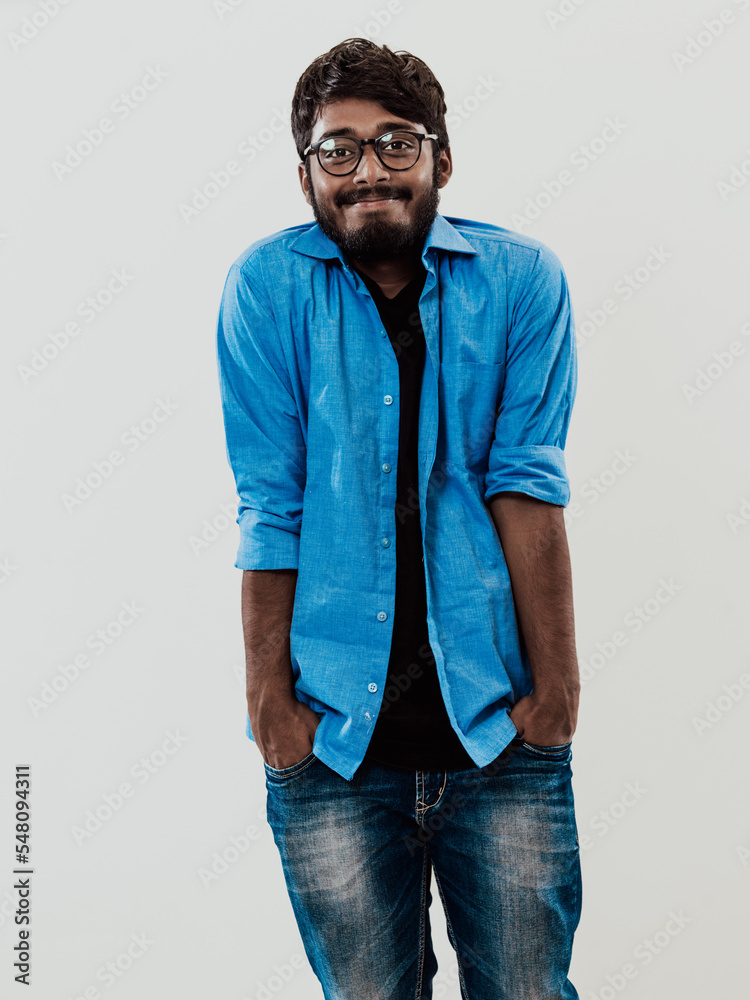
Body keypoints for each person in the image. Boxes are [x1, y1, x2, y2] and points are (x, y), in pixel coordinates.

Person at [216, 36, 582, 1000]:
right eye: (338, 149)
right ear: (306, 175)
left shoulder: (521, 282)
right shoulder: (266, 290)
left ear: (441, 160)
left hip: (500, 735)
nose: (368, 168)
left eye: (395, 143)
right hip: (332, 742)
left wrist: (556, 701)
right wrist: (271, 709)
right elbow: (272, 504)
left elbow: (527, 484)